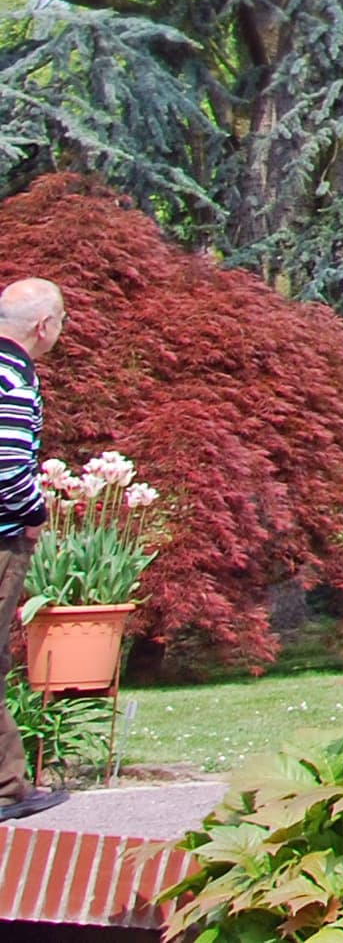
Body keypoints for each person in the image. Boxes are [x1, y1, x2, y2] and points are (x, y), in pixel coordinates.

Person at [0, 279, 67, 819]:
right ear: (43, 327)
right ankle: (5, 788)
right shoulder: (13, 378)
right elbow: (6, 468)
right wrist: (34, 515)